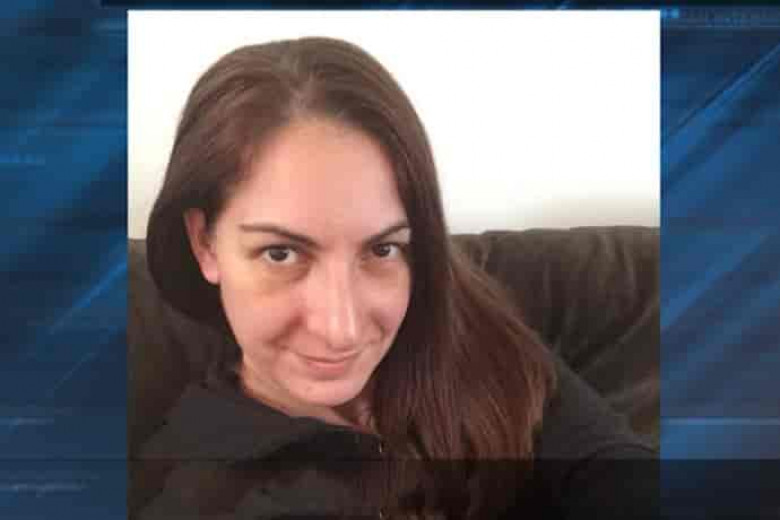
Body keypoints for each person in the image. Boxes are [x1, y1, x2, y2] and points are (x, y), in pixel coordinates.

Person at [132, 37, 657, 519]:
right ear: (204, 243)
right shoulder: (202, 494)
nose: (342, 329)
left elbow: (613, 467)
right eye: (281, 254)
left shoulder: (461, 314)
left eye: (380, 249)